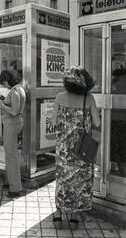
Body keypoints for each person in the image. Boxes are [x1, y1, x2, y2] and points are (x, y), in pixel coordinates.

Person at [51, 66, 100, 222]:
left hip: (64, 148)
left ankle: (58, 212)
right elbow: (97, 123)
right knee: (79, 179)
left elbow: (53, 121)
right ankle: (74, 213)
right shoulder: (89, 98)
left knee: (62, 178)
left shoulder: (59, 97)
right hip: (82, 149)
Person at [0, 70, 26, 198]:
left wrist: (2, 105)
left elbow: (14, 111)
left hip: (11, 124)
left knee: (11, 154)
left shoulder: (14, 91)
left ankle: (15, 188)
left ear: (6, 80)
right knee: (10, 153)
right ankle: (10, 181)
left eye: (3, 83)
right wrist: (4, 100)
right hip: (15, 123)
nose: (4, 86)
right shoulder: (20, 89)